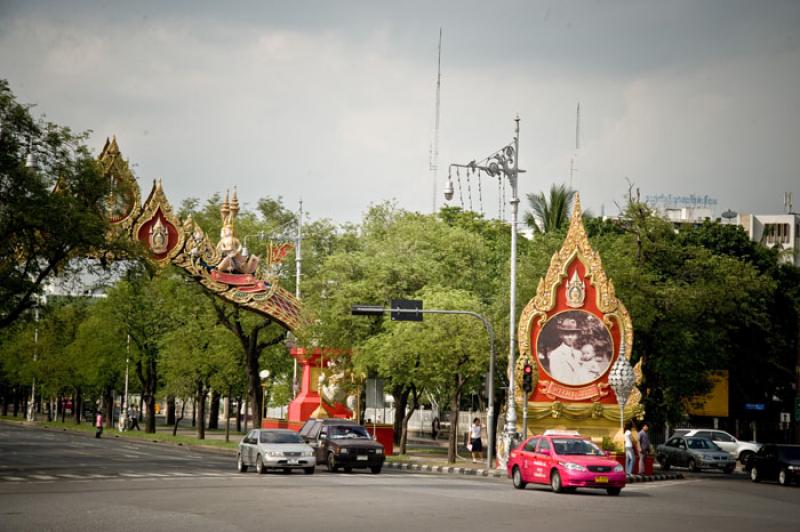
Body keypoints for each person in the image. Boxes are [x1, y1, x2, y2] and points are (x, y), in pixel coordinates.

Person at [548, 318, 584, 384]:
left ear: (577, 336)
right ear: (561, 335)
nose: (570, 337)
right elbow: (558, 379)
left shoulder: (579, 354)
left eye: (573, 334)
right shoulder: (555, 354)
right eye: (567, 334)